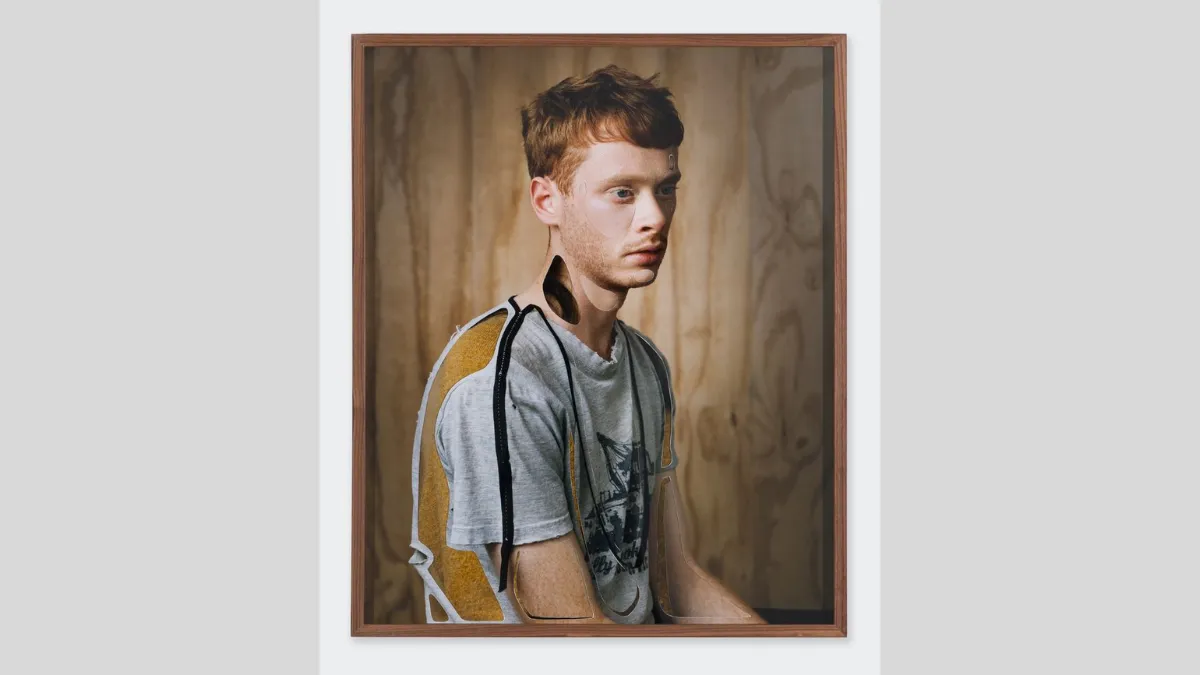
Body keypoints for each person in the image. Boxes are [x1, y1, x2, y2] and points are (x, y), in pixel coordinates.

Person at [410, 64, 766, 625]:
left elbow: (675, 584)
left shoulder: (645, 365)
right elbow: (574, 638)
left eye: (665, 189)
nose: (655, 218)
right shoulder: (500, 385)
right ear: (547, 200)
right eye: (622, 192)